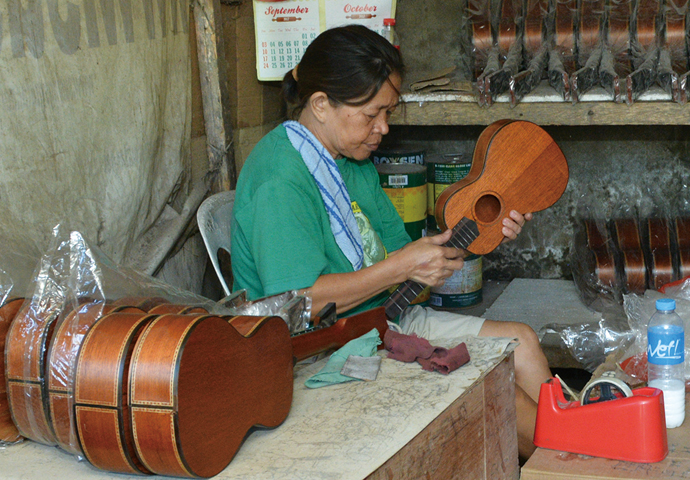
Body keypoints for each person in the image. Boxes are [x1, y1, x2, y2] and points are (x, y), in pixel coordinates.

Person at [231, 24, 551, 460]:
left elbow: (407, 265)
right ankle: (575, 459)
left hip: (382, 321)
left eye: (389, 113)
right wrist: (403, 267)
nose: (382, 128)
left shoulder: (352, 162)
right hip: (324, 350)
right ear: (321, 104)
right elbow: (297, 303)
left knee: (524, 343)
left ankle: (576, 452)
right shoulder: (280, 177)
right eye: (371, 114)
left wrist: (483, 227)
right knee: (520, 413)